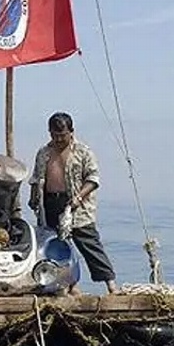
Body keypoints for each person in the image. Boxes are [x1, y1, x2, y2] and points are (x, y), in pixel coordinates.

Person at [28, 112, 118, 294]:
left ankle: (111, 284)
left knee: (88, 242)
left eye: (62, 135)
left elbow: (93, 179)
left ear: (71, 132)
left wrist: (79, 197)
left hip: (77, 205)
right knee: (52, 246)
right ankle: (65, 285)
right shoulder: (44, 152)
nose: (59, 139)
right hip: (49, 204)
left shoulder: (83, 152)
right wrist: (33, 198)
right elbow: (36, 178)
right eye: (54, 135)